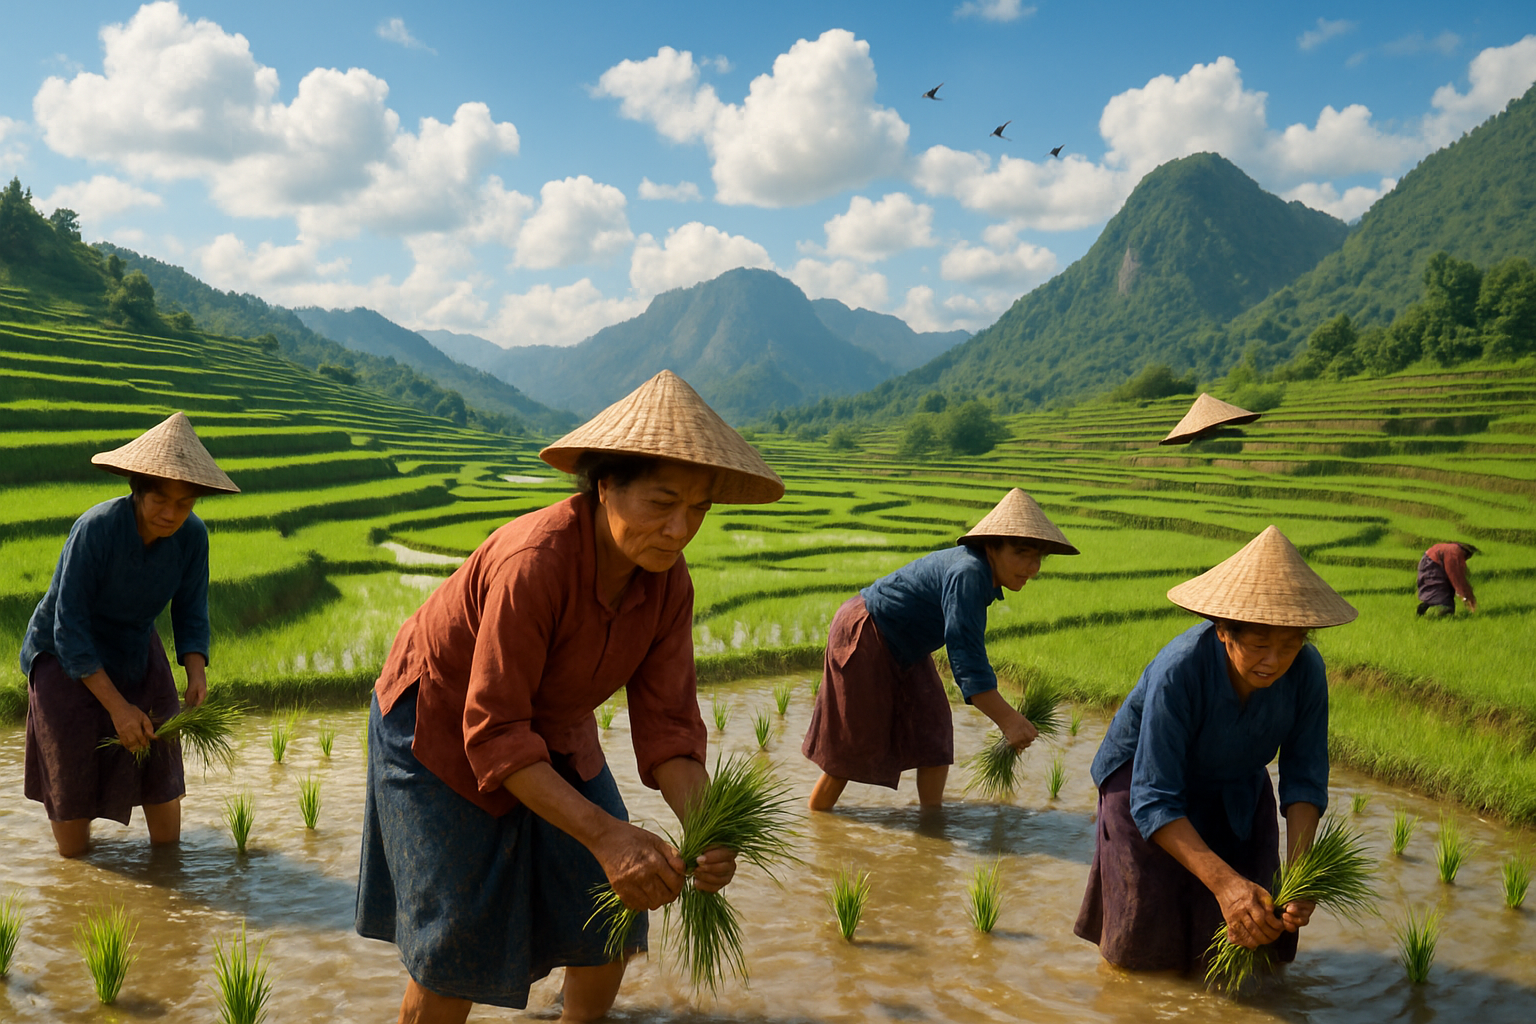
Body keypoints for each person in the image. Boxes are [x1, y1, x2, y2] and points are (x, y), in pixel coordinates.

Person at [355, 371, 785, 1024]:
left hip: (555, 724)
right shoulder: (536, 561)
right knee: (458, 942)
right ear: (605, 486)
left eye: (697, 509)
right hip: (437, 723)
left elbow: (669, 727)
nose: (679, 529)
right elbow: (495, 731)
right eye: (662, 503)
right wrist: (609, 837)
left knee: (608, 915)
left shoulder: (668, 584)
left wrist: (707, 831)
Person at [1074, 525, 1356, 974]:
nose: (1274, 661)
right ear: (1224, 631)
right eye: (1259, 644)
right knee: (1146, 937)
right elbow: (1154, 798)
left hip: (1237, 777)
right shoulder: (1179, 671)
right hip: (1142, 785)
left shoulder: (1306, 672)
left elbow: (1303, 776)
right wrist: (1226, 885)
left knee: (1258, 926)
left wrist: (1302, 874)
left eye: (1289, 644)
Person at [19, 412, 239, 858]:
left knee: (161, 757)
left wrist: (196, 672)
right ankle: (78, 871)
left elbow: (192, 609)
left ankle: (167, 867)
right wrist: (119, 708)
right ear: (137, 490)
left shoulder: (192, 538)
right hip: (64, 654)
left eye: (184, 503)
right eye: (160, 499)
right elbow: (69, 628)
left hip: (137, 643)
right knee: (73, 772)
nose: (171, 513)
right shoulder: (96, 530)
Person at [802, 488, 1079, 811]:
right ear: (991, 545)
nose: (1032, 567)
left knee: (932, 727)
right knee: (853, 743)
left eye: (1038, 557)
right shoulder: (969, 573)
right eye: (1021, 553)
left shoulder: (980, 573)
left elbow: (966, 646)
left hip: (905, 643)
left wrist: (1007, 717)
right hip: (868, 632)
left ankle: (932, 820)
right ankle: (818, 819)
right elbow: (966, 654)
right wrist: (1008, 720)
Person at [1416, 541, 1478, 616]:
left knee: (1436, 591)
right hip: (1432, 567)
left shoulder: (1451, 548)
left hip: (1429, 564)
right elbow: (1456, 576)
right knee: (1446, 603)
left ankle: (1424, 608)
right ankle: (1438, 617)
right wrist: (1466, 595)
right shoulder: (1454, 552)